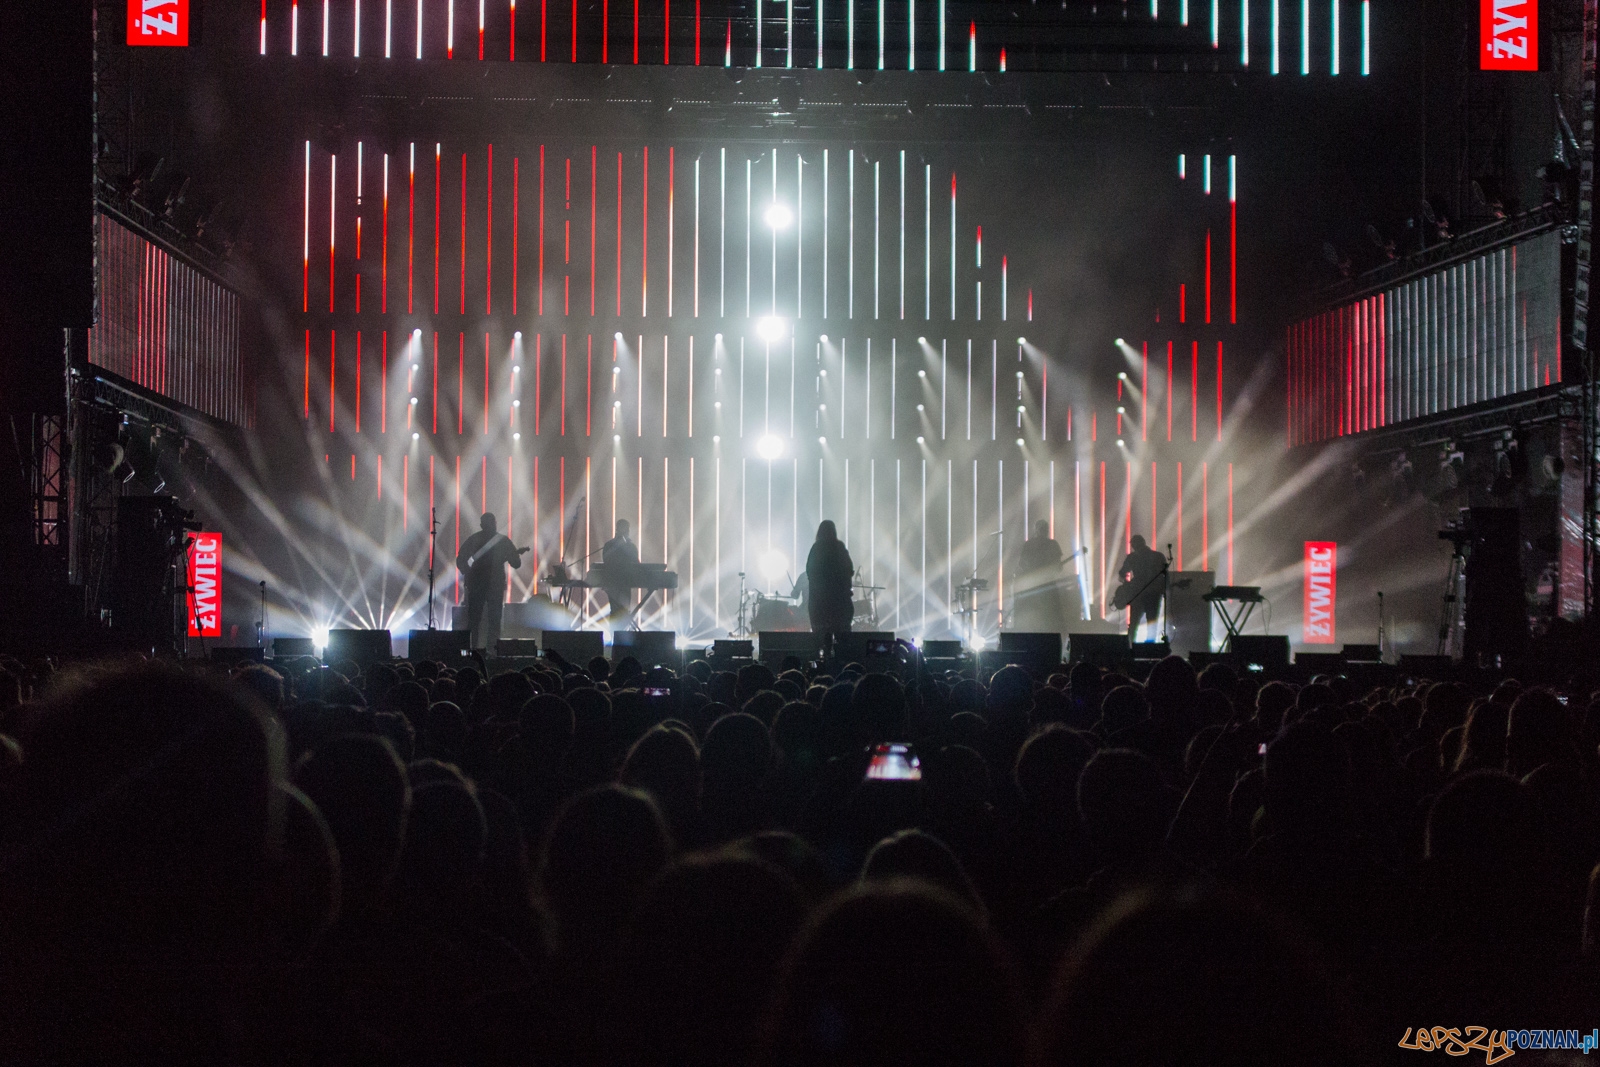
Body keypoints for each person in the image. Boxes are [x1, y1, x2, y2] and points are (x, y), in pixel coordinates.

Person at [455, 513, 528, 651]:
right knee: (494, 621)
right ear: (494, 523)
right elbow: (516, 563)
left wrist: (468, 571)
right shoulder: (503, 541)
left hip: (476, 584)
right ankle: (493, 652)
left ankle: (471, 651)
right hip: (494, 586)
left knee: (474, 620)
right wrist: (515, 554)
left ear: (481, 525)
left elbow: (460, 559)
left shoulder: (474, 539)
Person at [1014, 519, 1075, 631]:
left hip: (1034, 586)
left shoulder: (1029, 544)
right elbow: (1058, 567)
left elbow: (1021, 564)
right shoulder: (1052, 544)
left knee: (1033, 617)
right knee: (1051, 616)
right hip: (1047, 586)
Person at [804, 520, 854, 656]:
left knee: (821, 636)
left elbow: (810, 572)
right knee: (842, 637)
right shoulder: (839, 547)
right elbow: (849, 570)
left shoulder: (816, 548)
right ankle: (842, 660)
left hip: (820, 602)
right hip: (840, 601)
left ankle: (822, 660)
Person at [1116, 534, 1168, 642]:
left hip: (1137, 594)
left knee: (1134, 623)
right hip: (1154, 593)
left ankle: (1130, 646)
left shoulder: (1132, 557)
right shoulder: (1158, 556)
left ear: (1134, 545)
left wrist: (1127, 585)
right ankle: (1150, 647)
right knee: (1151, 622)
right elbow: (1165, 575)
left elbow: (1122, 573)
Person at [600, 519, 640, 621]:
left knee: (621, 611)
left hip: (623, 582)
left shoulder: (629, 546)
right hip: (617, 582)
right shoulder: (611, 545)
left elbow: (636, 564)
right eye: (627, 529)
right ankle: (619, 629)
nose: (628, 532)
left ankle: (620, 629)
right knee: (618, 611)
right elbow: (607, 561)